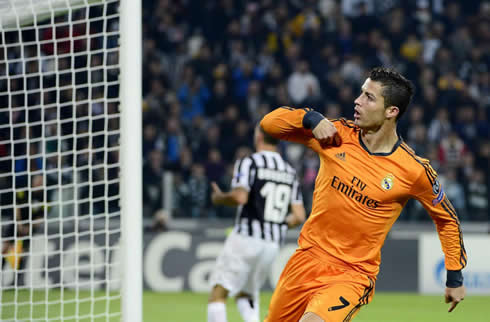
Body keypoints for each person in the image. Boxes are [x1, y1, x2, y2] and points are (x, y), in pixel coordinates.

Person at [260, 67, 467, 322]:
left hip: (351, 274)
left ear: (392, 111)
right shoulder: (336, 135)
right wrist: (311, 118)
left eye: (369, 97)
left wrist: (454, 276)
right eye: (360, 94)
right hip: (306, 259)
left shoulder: (413, 170)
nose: (357, 102)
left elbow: (446, 219)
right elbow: (268, 125)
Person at [207, 124, 306, 322]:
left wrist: (219, 198)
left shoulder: (249, 162)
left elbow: (240, 197)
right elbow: (299, 216)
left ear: (259, 136)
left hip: (246, 238)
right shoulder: (289, 171)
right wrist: (277, 225)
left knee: (218, 294)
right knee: (247, 294)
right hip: (271, 245)